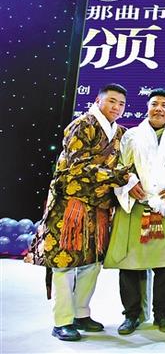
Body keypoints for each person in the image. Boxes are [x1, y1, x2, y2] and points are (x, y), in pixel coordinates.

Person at [26, 84, 133, 341]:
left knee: (92, 263)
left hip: (100, 208)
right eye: (111, 101)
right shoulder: (82, 125)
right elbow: (77, 167)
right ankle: (62, 321)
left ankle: (81, 313)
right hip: (70, 204)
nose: (116, 107)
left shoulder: (120, 133)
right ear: (98, 100)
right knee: (64, 263)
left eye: (121, 104)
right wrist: (119, 176)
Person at [103, 88, 165, 334]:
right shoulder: (131, 135)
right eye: (154, 104)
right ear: (147, 107)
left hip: (164, 208)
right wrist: (129, 183)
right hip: (134, 206)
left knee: (164, 266)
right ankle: (131, 315)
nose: (159, 109)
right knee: (129, 264)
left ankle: (162, 315)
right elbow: (119, 165)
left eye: (164, 105)